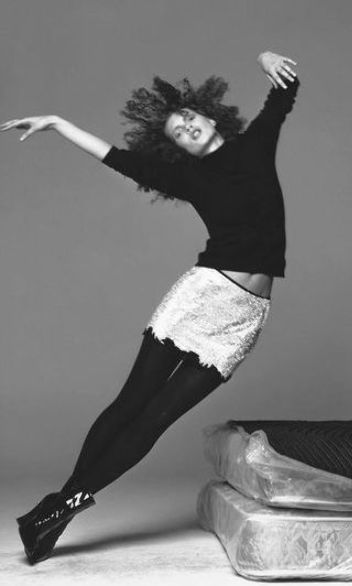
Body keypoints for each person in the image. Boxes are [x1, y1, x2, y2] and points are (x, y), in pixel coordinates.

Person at [1, 49, 300, 564]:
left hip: (243, 317)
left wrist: (264, 55)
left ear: (209, 116)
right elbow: (117, 158)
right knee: (130, 405)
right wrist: (58, 124)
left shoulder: (255, 145)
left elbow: (284, 93)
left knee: (156, 419)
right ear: (177, 148)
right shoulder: (188, 179)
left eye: (188, 117)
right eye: (176, 131)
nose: (185, 127)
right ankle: (63, 508)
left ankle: (53, 509)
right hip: (200, 298)